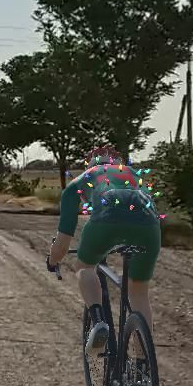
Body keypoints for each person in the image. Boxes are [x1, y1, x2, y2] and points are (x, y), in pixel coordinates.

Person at [45, 144, 161, 354]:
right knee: (138, 291)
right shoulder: (133, 174)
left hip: (105, 221)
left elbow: (62, 242)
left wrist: (53, 262)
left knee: (84, 267)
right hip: (149, 226)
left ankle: (99, 322)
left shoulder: (80, 181)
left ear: (89, 165)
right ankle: (143, 365)